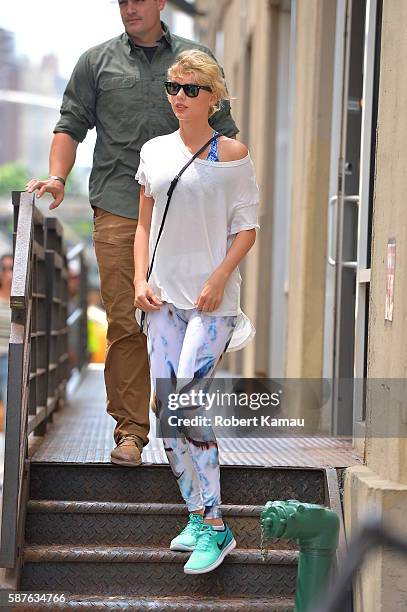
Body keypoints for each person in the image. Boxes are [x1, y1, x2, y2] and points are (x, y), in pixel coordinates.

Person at [26, 0, 238, 467]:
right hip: (121, 210)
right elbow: (70, 124)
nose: (128, 7)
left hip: (186, 215)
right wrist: (58, 177)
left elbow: (225, 137)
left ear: (161, 2)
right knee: (125, 321)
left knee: (182, 319)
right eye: (121, 0)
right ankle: (130, 433)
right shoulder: (97, 61)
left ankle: (175, 416)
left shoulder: (192, 60)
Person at [133, 49, 259, 574]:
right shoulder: (155, 151)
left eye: (190, 89)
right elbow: (143, 225)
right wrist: (139, 280)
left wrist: (218, 277)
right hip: (162, 299)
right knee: (167, 415)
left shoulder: (232, 155)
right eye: (172, 87)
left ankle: (216, 528)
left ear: (213, 95)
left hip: (210, 303)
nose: (178, 97)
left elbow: (246, 229)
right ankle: (196, 513)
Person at [0, 255, 13, 414]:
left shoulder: (22, 301)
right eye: (4, 269)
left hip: (10, 357)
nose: (9, 273)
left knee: (10, 402)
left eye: (12, 268)